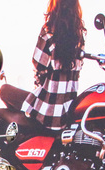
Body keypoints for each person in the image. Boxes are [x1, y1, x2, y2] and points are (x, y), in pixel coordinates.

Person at [18, 0, 86, 128]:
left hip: (46, 114)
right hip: (67, 113)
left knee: (4, 91)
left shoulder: (48, 31)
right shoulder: (80, 34)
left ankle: (18, 132)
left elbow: (38, 65)